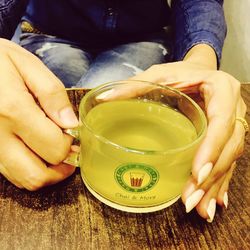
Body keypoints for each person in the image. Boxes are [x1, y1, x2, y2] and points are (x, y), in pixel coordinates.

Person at [0, 0, 247, 223]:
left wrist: (200, 61)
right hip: (50, 33)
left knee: (106, 116)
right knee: (54, 132)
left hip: (142, 37)